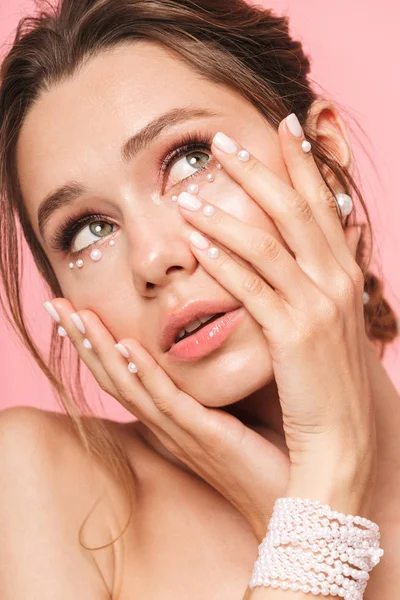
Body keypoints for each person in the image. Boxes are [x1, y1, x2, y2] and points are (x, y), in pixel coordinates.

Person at [0, 0, 398, 598]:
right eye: (88, 230)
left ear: (324, 156)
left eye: (189, 160)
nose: (153, 259)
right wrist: (324, 488)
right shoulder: (43, 485)